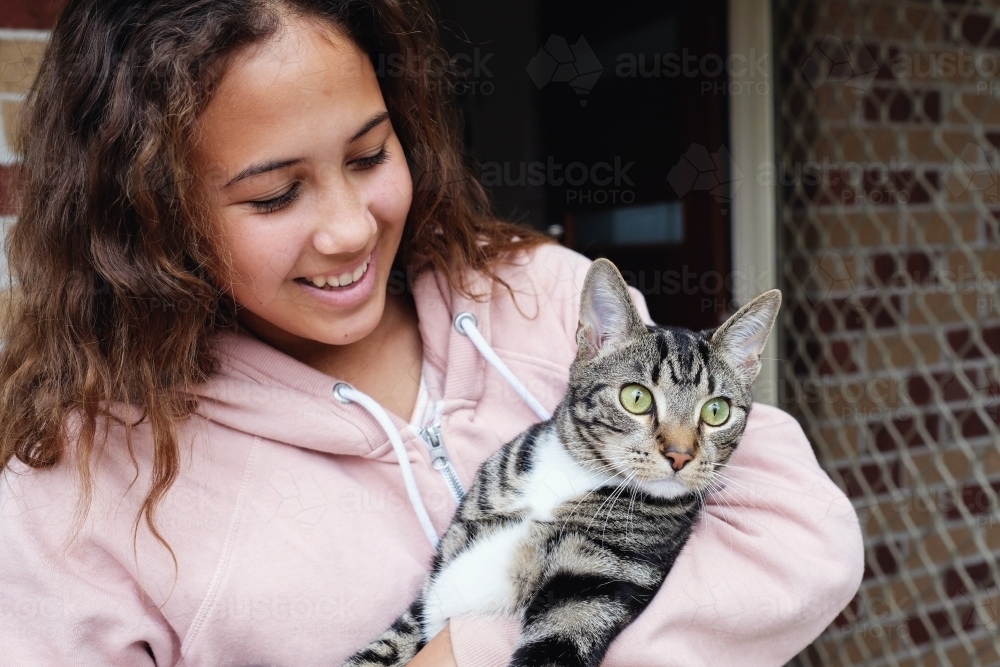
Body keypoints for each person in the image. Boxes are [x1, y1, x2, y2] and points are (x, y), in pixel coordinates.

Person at [0, 1, 864, 665]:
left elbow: (805, 540)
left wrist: (473, 650)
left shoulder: (537, 290)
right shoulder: (73, 485)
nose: (348, 229)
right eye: (273, 195)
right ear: (150, 213)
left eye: (371, 155)